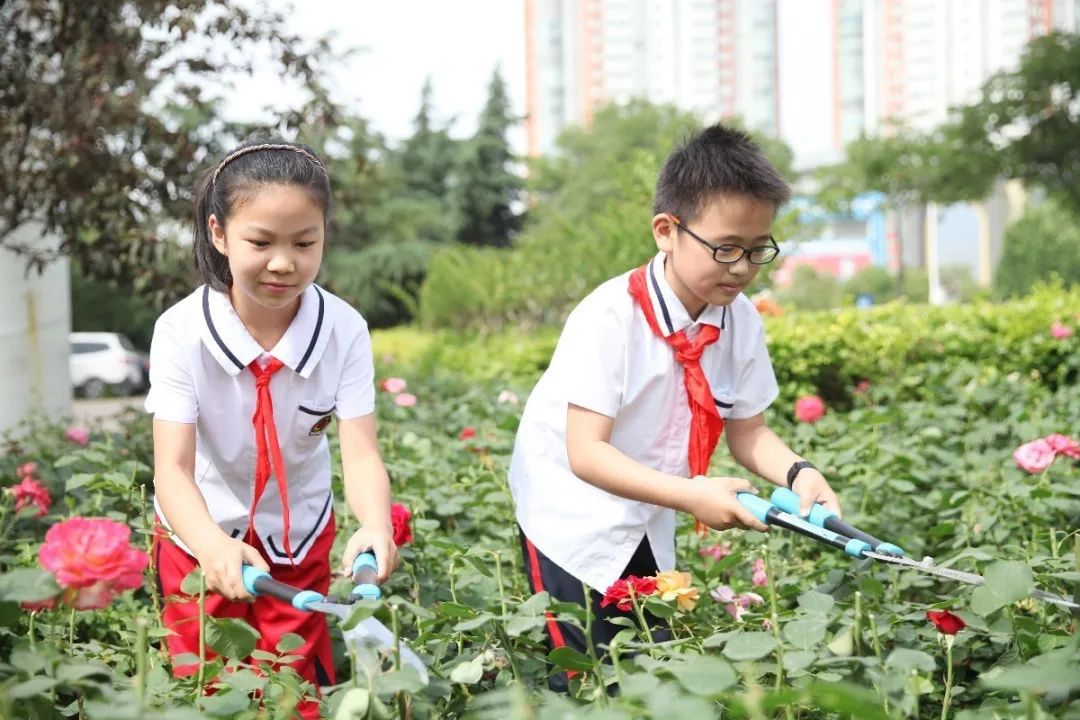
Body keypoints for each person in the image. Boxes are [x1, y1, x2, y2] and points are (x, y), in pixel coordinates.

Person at [508, 124, 842, 692]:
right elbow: (585, 454)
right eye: (726, 249)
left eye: (758, 250)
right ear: (667, 230)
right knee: (589, 679)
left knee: (651, 668)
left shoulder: (740, 321)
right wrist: (692, 495)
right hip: (569, 515)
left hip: (648, 507)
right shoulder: (609, 317)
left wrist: (800, 473)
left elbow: (748, 431)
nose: (742, 267)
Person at [146, 141, 398, 718]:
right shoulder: (181, 331)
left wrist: (376, 526)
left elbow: (359, 454)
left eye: (305, 243)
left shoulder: (344, 330)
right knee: (209, 685)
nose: (284, 263)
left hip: (298, 533)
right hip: (198, 529)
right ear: (219, 233)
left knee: (296, 692)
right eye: (260, 243)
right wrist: (212, 547)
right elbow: (172, 468)